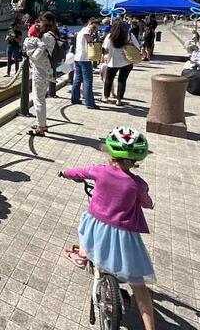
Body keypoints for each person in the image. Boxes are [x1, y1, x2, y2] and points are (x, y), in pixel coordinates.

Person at [60, 127, 155, 330]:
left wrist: (64, 173)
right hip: (123, 236)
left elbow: (78, 172)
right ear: (135, 160)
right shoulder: (137, 184)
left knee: (86, 231)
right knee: (139, 286)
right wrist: (150, 203)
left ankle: (83, 255)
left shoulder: (99, 171)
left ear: (109, 153)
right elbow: (147, 203)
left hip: (95, 227)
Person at [23, 20, 54, 137]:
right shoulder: (45, 39)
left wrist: (33, 55)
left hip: (39, 73)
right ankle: (41, 123)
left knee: (38, 99)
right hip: (45, 72)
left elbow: (33, 54)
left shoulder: (34, 41)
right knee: (40, 98)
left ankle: (41, 127)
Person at [101, 20, 141, 106]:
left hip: (112, 61)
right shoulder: (129, 35)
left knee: (109, 80)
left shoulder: (110, 36)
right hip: (127, 62)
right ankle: (119, 100)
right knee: (122, 81)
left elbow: (105, 48)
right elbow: (138, 47)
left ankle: (106, 97)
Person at [71, 17, 99, 109]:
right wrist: (93, 36)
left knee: (78, 79)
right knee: (87, 80)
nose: (95, 29)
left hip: (78, 57)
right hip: (85, 58)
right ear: (90, 24)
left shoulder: (81, 31)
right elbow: (90, 41)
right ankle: (90, 103)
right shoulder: (86, 31)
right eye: (94, 27)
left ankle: (75, 98)